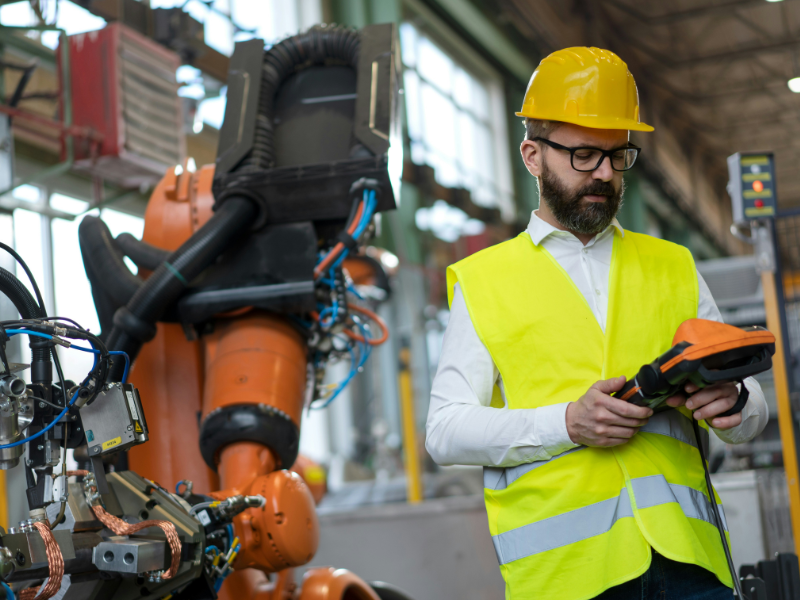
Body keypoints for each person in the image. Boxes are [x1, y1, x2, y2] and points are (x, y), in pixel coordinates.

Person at [425, 46, 768, 600]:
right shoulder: (484, 281)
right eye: (584, 155)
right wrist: (565, 423)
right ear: (532, 155)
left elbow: (749, 404)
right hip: (568, 579)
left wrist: (734, 405)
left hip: (690, 565)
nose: (605, 174)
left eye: (618, 156)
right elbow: (444, 431)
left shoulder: (673, 265)